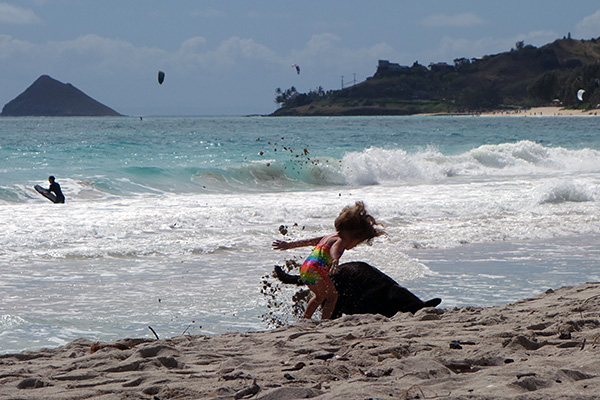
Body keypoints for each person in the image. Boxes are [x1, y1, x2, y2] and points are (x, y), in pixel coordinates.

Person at [273, 201, 385, 319]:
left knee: (319, 296)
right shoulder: (341, 240)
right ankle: (325, 321)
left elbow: (309, 241)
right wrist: (335, 259)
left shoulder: (329, 237)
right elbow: (334, 249)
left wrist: (289, 245)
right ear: (355, 234)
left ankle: (306, 319)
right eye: (357, 243)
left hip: (305, 268)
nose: (355, 245)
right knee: (332, 297)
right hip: (316, 269)